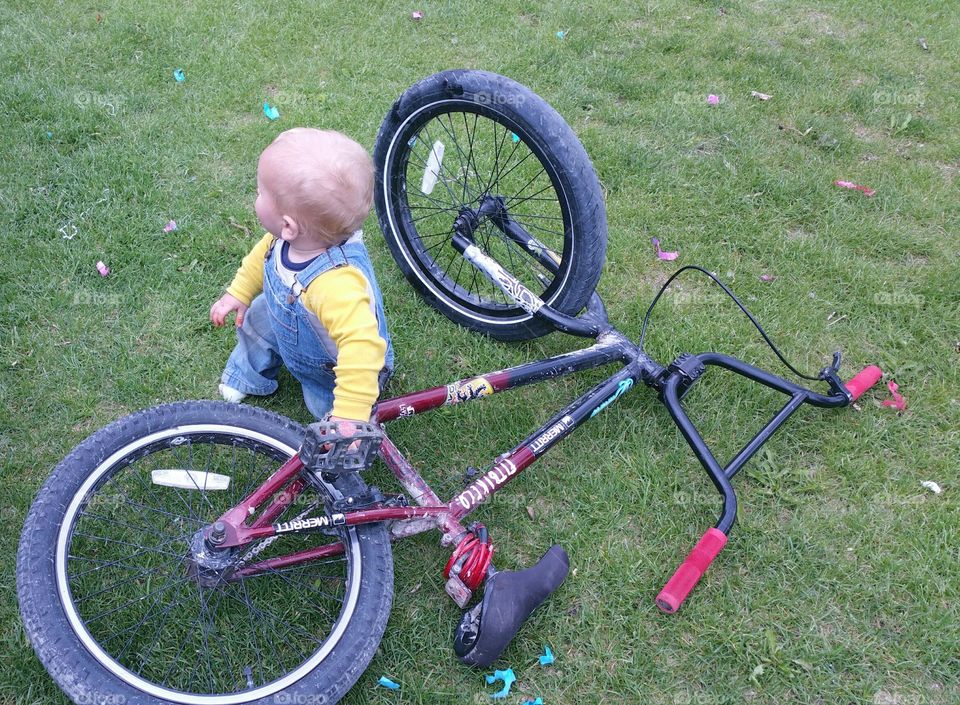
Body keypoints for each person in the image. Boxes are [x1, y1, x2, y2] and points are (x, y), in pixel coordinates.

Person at [210, 128, 393, 427]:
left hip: (328, 369)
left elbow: (362, 348)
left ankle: (347, 418)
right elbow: (262, 257)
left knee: (323, 410)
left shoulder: (337, 284)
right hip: (287, 317)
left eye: (259, 193)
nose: (255, 197)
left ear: (288, 226)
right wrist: (239, 293)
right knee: (256, 320)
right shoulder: (284, 240)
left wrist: (349, 413)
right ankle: (247, 374)